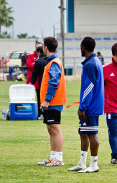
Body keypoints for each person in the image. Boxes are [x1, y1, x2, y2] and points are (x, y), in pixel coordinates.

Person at [68, 37, 104, 173]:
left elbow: (89, 87)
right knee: (83, 132)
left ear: (83, 47)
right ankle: (82, 163)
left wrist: (83, 107)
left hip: (91, 106)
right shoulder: (95, 61)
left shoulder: (90, 64)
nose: (80, 49)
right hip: (91, 104)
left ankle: (94, 164)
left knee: (92, 133)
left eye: (80, 46)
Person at [37, 37, 67, 166]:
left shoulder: (54, 62)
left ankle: (58, 159)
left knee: (55, 129)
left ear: (46, 48)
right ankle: (53, 156)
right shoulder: (50, 62)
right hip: (50, 102)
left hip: (53, 102)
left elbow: (53, 82)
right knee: (50, 129)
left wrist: (47, 100)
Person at [27, 42, 42, 118]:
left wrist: (36, 65)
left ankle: (40, 114)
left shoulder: (44, 57)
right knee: (30, 98)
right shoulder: (31, 56)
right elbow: (28, 65)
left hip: (40, 81)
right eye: (37, 47)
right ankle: (29, 113)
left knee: (40, 98)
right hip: (32, 80)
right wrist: (38, 66)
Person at [31, 46, 46, 119]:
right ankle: (47, 113)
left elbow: (35, 73)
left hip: (41, 83)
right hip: (49, 83)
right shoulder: (49, 60)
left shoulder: (38, 61)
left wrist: (32, 82)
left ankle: (41, 114)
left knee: (40, 98)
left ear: (38, 52)